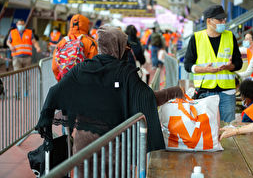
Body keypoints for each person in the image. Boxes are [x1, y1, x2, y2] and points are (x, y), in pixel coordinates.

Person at [35, 26, 184, 177]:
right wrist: (174, 92)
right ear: (117, 46)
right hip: (114, 145)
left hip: (83, 144)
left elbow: (54, 91)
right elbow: (148, 98)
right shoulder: (126, 72)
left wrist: (46, 119)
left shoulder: (82, 68)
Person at [184, 4, 243, 122]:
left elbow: (239, 63)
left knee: (227, 126)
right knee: (206, 127)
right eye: (220, 19)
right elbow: (187, 65)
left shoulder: (230, 36)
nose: (223, 21)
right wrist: (205, 69)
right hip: (205, 91)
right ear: (209, 21)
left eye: (224, 19)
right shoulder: (196, 38)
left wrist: (230, 66)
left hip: (227, 92)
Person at [52, 14, 98, 81]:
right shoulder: (91, 42)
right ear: (86, 25)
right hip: (84, 83)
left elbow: (54, 67)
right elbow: (94, 66)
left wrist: (61, 81)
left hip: (65, 83)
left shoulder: (62, 42)